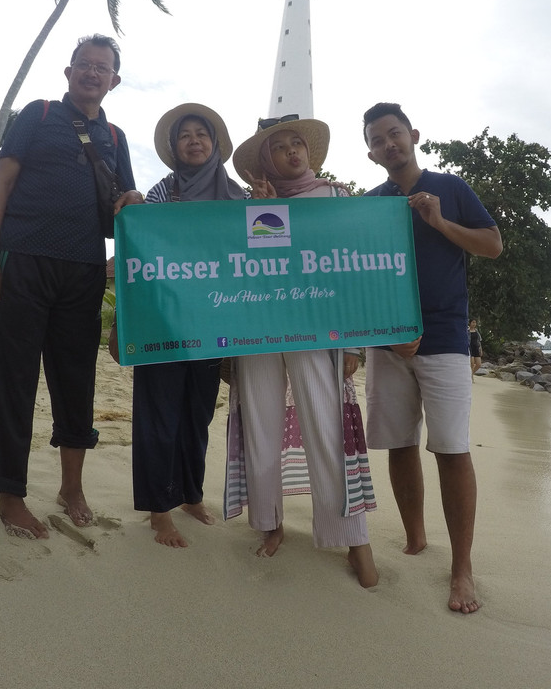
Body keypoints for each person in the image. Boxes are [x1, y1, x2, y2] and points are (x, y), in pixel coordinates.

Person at [0, 34, 143, 539]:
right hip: (22, 260)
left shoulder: (115, 136)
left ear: (114, 80)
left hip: (84, 271)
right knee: (13, 379)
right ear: (69, 72)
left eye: (103, 67)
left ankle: (72, 487)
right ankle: (10, 494)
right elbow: (1, 183)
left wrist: (132, 197)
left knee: (75, 382)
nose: (93, 73)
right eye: (84, 65)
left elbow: (121, 212)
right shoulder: (39, 114)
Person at [361, 102, 503, 613]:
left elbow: (491, 245)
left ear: (413, 135)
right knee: (399, 444)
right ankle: (416, 538)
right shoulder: (371, 203)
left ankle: (461, 570)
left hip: (444, 336)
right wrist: (383, 337)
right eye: (378, 139)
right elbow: (358, 276)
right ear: (371, 152)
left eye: (395, 134)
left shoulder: (452, 188)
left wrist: (440, 222)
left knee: (450, 449)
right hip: (388, 341)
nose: (389, 144)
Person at [226, 115, 379, 588]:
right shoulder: (251, 206)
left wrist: (353, 341)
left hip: (321, 330)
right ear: (263, 163)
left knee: (327, 427)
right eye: (279, 147)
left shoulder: (334, 197)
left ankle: (354, 539)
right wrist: (262, 216)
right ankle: (270, 523)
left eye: (298, 144)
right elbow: (252, 272)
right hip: (259, 329)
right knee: (261, 424)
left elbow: (350, 269)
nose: (292, 152)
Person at [114, 103, 246, 547]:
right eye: (185, 135)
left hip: (215, 323)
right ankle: (158, 508)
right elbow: (139, 255)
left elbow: (257, 253)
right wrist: (124, 324)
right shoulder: (159, 194)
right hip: (163, 324)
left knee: (198, 413)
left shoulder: (238, 196)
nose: (194, 140)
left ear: (214, 146)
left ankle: (191, 495)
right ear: (174, 148)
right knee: (159, 413)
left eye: (201, 135)